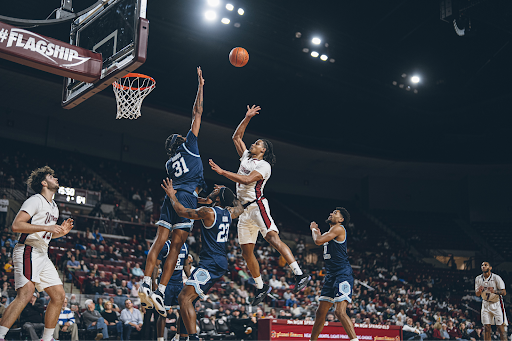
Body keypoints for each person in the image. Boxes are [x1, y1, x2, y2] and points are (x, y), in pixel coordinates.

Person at [209, 105, 310, 305]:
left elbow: (247, 181)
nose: (252, 144)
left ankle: (299, 275)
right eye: (253, 143)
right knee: (246, 252)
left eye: (256, 143)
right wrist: (246, 118)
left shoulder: (265, 166)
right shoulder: (246, 157)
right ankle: (261, 287)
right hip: (243, 210)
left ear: (263, 150)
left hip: (257, 206)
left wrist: (223, 173)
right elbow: (236, 138)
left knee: (273, 238)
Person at [140, 67, 207, 316]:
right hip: (186, 196)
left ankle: (147, 282)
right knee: (176, 249)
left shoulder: (169, 163)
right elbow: (197, 112)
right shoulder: (190, 146)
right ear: (181, 140)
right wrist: (200, 85)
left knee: (159, 242)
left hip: (170, 194)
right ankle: (161, 289)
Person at [160, 178, 244, 341]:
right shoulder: (229, 213)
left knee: (184, 298)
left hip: (210, 263)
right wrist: (227, 191)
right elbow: (240, 207)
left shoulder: (208, 212)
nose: (213, 189)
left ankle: (192, 338)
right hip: (219, 261)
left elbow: (182, 211)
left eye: (216, 191)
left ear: (218, 198)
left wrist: (171, 195)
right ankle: (182, 336)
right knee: (187, 300)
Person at [0, 166, 74, 341]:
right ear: (43, 182)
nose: (55, 178)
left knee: (59, 296)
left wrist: (60, 233)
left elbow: (46, 233)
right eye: (51, 176)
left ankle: (46, 339)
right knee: (26, 293)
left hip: (42, 252)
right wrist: (46, 227)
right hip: (27, 249)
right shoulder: (35, 200)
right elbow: (17, 225)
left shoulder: (54, 206)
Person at [308, 207, 359, 341]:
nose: (331, 213)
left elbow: (318, 240)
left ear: (341, 219)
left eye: (335, 213)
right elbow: (319, 239)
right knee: (320, 312)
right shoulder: (329, 232)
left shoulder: (339, 228)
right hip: (331, 276)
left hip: (343, 274)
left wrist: (314, 230)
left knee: (339, 312)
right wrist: (317, 234)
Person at [154, 239, 192, 340]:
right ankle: (160, 339)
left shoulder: (185, 246)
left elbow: (185, 265)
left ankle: (177, 336)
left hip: (179, 283)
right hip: (166, 284)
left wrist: (192, 280)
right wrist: (154, 283)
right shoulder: (165, 245)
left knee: (182, 312)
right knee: (163, 313)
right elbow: (155, 265)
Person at [475, 262, 508, 341]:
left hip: (496, 303)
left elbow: (504, 292)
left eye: (485, 265)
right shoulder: (478, 278)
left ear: (490, 268)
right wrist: (479, 291)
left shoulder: (496, 278)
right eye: (482, 265)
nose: (483, 266)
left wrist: (494, 291)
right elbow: (477, 294)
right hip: (485, 303)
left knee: (500, 327)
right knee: (486, 327)